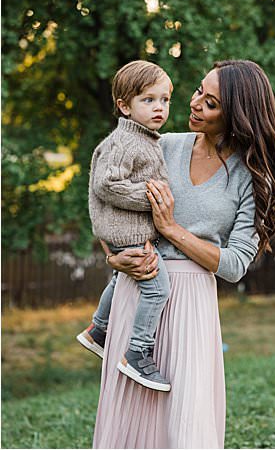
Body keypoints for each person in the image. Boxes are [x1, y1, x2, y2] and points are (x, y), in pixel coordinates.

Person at [92, 60, 275, 448]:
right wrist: (112, 257)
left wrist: (171, 230)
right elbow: (109, 205)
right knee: (127, 424)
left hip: (191, 306)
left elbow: (234, 265)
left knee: (184, 424)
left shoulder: (251, 177)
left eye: (211, 102)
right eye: (200, 90)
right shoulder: (161, 145)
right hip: (137, 291)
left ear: (237, 115)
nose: (195, 102)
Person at [78, 60, 176, 392]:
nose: (159, 107)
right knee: (158, 288)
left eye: (164, 99)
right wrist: (153, 197)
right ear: (124, 105)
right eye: (148, 100)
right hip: (127, 233)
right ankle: (137, 352)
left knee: (120, 277)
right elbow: (106, 185)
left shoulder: (146, 139)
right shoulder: (125, 142)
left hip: (130, 232)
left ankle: (99, 330)